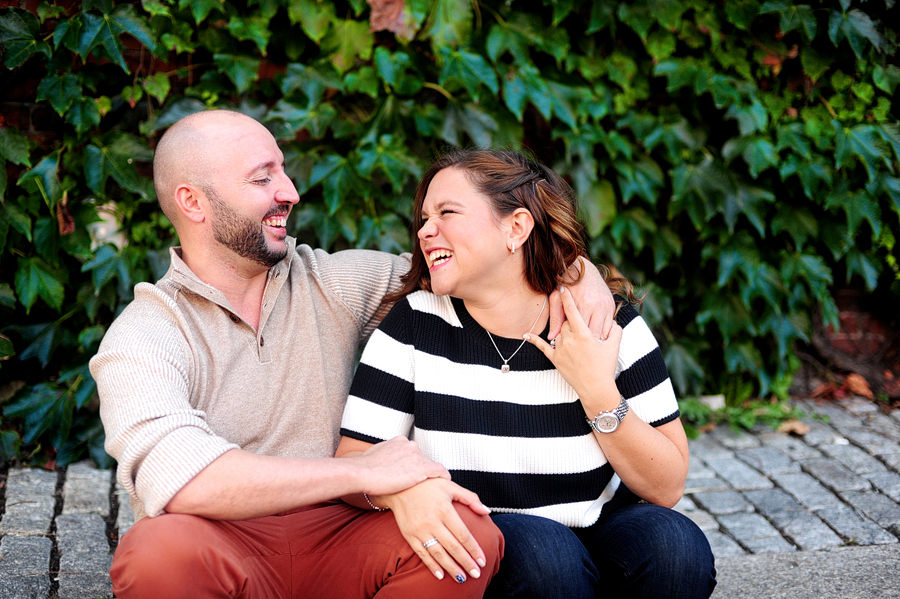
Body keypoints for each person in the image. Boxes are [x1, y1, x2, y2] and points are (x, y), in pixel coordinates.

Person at [90, 110, 615, 598]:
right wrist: (364, 473)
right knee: (154, 552)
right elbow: (181, 479)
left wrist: (576, 270)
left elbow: (484, 268)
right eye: (262, 178)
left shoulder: (333, 282)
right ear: (192, 202)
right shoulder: (145, 335)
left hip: (343, 536)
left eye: (284, 173)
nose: (290, 192)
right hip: (220, 539)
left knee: (468, 534)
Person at [337, 149, 717, 599]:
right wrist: (407, 494)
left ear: (516, 227)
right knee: (547, 558)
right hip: (488, 534)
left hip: (598, 523)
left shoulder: (603, 322)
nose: (424, 231)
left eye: (447, 212)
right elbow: (353, 463)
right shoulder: (415, 323)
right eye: (422, 218)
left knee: (675, 547)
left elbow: (667, 485)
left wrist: (595, 389)